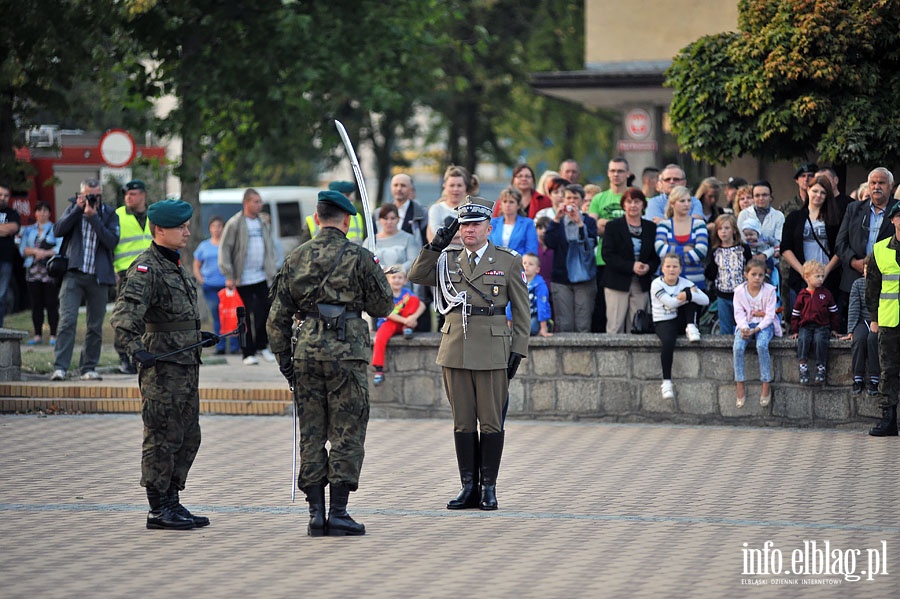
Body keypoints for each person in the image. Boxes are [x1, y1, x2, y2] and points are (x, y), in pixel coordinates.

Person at [267, 190, 393, 536]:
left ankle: (314, 514)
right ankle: (338, 512)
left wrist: (286, 365)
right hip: (347, 355)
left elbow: (275, 320)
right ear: (347, 220)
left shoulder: (296, 257)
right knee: (347, 431)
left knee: (311, 433)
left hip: (306, 354)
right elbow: (384, 306)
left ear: (318, 217)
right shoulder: (359, 256)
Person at [408, 196, 529, 512]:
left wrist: (518, 349)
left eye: (475, 224)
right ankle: (468, 487)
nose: (468, 230)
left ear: (490, 227)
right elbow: (416, 276)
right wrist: (435, 245)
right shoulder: (447, 259)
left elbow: (522, 310)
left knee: (490, 422)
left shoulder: (507, 261)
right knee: (462, 422)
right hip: (455, 348)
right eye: (464, 224)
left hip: (491, 347)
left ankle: (488, 487)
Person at [110, 199, 218, 530]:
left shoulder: (173, 265)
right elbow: (124, 318)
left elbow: (172, 315)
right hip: (161, 368)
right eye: (180, 227)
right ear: (160, 231)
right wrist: (134, 350)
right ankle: (158, 508)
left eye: (187, 226)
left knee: (188, 435)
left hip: (185, 365)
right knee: (161, 436)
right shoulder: (146, 268)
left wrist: (197, 334)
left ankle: (173, 500)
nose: (187, 231)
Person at [50, 178, 120, 381]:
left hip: (99, 277)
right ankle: (60, 367)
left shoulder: (109, 213)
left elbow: (111, 241)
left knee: (95, 326)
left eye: (96, 194)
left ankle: (88, 367)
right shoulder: (74, 208)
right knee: (67, 320)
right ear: (81, 194)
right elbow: (58, 230)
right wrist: (77, 210)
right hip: (74, 273)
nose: (93, 198)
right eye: (89, 194)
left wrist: (94, 218)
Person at [218, 188, 278, 365]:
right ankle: (247, 352)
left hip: (261, 276)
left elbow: (270, 247)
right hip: (241, 278)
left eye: (260, 201)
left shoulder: (263, 223)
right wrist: (229, 274)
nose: (259, 205)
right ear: (246, 203)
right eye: (256, 202)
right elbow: (225, 249)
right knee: (244, 316)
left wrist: (272, 268)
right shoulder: (235, 223)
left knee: (264, 312)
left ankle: (262, 346)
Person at [836, 168, 898, 322]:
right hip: (854, 278)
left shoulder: (898, 210)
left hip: (888, 283)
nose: (876, 186)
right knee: (856, 335)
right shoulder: (854, 209)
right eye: (873, 183)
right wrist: (854, 262)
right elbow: (840, 243)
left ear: (891, 186)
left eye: (881, 183)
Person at [651, 253, 709, 400]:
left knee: (691, 299)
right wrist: (686, 295)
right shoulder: (656, 284)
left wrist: (689, 295)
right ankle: (666, 382)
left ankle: (691, 327)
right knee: (668, 342)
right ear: (662, 268)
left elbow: (706, 300)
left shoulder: (685, 282)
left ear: (680, 269)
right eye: (668, 266)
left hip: (680, 319)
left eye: (675, 266)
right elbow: (669, 303)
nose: (671, 270)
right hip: (663, 320)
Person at [601, 188, 659, 334]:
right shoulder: (613, 226)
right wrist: (631, 266)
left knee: (638, 326)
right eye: (629, 201)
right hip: (617, 282)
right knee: (615, 326)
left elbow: (655, 256)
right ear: (623, 205)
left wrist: (648, 267)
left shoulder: (651, 228)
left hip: (641, 282)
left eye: (637, 201)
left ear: (643, 205)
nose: (633, 205)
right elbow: (607, 255)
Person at [780, 175, 842, 310]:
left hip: (827, 277)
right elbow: (785, 247)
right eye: (815, 191)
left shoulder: (835, 219)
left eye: (823, 192)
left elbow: (841, 247)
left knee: (825, 322)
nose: (818, 195)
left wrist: (826, 271)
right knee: (800, 322)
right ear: (808, 190)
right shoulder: (794, 217)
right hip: (800, 278)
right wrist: (803, 271)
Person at [544, 184, 598, 333]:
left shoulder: (589, 222)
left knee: (583, 324)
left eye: (576, 198)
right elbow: (549, 242)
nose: (572, 201)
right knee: (564, 324)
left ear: (582, 201)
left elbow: (590, 246)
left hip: (584, 278)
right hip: (561, 279)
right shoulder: (557, 222)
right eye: (568, 198)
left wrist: (580, 223)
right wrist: (556, 219)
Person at [866, 201, 900, 437]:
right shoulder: (880, 250)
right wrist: (874, 318)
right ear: (892, 220)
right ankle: (888, 420)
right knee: (888, 370)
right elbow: (873, 288)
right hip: (889, 321)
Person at [113, 179, 153, 374]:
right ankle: (123, 355)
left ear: (143, 195)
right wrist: (113, 269)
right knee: (125, 316)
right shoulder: (118, 215)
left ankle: (143, 353)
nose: (128, 197)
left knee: (149, 316)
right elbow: (109, 243)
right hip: (125, 273)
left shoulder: (153, 215)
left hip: (151, 273)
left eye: (133, 194)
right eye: (126, 194)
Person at [733, 258, 782, 408]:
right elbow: (738, 313)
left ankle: (766, 383)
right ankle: (740, 384)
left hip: (764, 326)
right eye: (753, 274)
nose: (757, 278)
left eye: (760, 275)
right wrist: (743, 327)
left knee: (761, 345)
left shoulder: (769, 291)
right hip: (746, 325)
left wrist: (757, 329)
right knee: (738, 347)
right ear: (746, 274)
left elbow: (769, 315)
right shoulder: (739, 292)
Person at [589, 157, 631, 333]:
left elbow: (639, 227)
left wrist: (608, 225)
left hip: (630, 261)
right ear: (608, 173)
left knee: (630, 312)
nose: (616, 174)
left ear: (628, 174)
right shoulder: (599, 198)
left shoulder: (635, 197)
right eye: (613, 170)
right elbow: (593, 227)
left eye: (620, 171)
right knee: (605, 310)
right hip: (604, 261)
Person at [386, 173, 431, 332]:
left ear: (411, 189)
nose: (399, 189)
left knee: (416, 308)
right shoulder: (382, 213)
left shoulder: (421, 213)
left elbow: (427, 242)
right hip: (389, 273)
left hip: (414, 270)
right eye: (396, 185)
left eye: (403, 185)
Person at [371, 265, 425, 385]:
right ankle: (378, 369)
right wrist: (406, 321)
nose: (397, 280)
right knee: (379, 338)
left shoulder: (407, 293)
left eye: (400, 277)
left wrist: (412, 318)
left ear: (405, 280)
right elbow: (388, 313)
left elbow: (422, 305)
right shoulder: (385, 294)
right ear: (387, 280)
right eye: (393, 277)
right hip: (388, 323)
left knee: (414, 300)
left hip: (405, 323)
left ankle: (408, 329)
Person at [193, 215, 238, 355]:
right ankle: (220, 346)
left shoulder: (228, 245)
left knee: (231, 315)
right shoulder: (204, 246)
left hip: (227, 285)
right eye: (214, 226)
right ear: (210, 228)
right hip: (210, 286)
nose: (217, 229)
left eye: (219, 226)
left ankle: (235, 346)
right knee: (217, 315)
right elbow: (197, 265)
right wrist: (201, 280)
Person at [789, 260, 840, 385]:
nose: (821, 279)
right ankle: (803, 366)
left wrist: (834, 329)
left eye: (822, 276)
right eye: (817, 276)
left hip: (822, 325)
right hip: (805, 325)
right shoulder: (802, 295)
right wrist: (795, 330)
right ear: (807, 277)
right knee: (803, 340)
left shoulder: (826, 294)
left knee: (820, 341)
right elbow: (795, 314)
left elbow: (834, 312)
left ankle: (821, 367)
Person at [654, 185, 709, 299]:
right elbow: (660, 249)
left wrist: (672, 257)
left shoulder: (699, 224)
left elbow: (701, 251)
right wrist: (685, 249)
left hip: (694, 283)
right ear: (673, 203)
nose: (687, 204)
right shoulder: (664, 225)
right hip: (668, 285)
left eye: (689, 201)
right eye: (682, 201)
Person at [19, 201, 61, 345]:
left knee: (51, 303)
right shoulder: (29, 230)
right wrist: (35, 251)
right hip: (33, 270)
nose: (42, 213)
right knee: (36, 304)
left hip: (49, 271)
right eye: (39, 210)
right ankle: (37, 335)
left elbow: (60, 248)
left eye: (45, 210)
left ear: (49, 213)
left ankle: (53, 335)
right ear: (35, 213)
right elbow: (23, 249)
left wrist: (45, 253)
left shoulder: (55, 229)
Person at [705, 214, 752, 335]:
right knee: (725, 328)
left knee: (743, 326)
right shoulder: (716, 251)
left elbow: (749, 267)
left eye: (727, 228)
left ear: (734, 230)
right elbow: (712, 272)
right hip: (723, 295)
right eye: (720, 229)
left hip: (742, 294)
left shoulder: (743, 249)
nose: (723, 232)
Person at [843, 260, 879, 397]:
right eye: (866, 269)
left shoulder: (882, 283)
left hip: (879, 321)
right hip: (862, 321)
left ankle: (874, 379)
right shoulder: (858, 284)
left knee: (873, 340)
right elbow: (854, 308)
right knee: (858, 340)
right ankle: (857, 377)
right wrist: (851, 330)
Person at [300, 180, 366, 245]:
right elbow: (304, 245)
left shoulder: (357, 217)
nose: (351, 198)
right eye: (348, 195)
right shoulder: (310, 220)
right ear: (337, 196)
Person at [736, 180, 784, 262]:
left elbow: (778, 241)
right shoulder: (744, 214)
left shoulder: (778, 216)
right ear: (753, 197)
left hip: (770, 260)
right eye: (757, 195)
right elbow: (740, 239)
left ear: (771, 196)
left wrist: (765, 255)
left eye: (764, 195)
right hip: (748, 260)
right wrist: (752, 255)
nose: (761, 198)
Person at [428, 165, 477, 242]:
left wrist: (447, 237)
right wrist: (464, 235)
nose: (455, 189)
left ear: (466, 187)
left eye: (459, 185)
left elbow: (477, 237)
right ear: (445, 186)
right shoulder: (436, 209)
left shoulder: (474, 209)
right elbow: (435, 234)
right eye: (452, 185)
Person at [509, 252, 552, 337]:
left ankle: (546, 326)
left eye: (531, 264)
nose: (527, 266)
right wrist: (508, 325)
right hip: (520, 315)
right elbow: (510, 303)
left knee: (530, 328)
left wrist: (543, 328)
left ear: (537, 269)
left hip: (535, 316)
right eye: (524, 263)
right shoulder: (516, 282)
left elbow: (542, 305)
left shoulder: (540, 285)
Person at [489, 187, 538, 256]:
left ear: (518, 205)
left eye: (511, 202)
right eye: (505, 201)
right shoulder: (492, 223)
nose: (507, 205)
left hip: (519, 264)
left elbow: (531, 250)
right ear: (500, 205)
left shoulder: (527, 223)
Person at [0, 182, 21, 327]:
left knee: (1, 296)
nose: (3, 198)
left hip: (5, 260)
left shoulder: (13, 214)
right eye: (0, 195)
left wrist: (7, 229)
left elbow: (13, 227)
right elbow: (7, 229)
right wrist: (3, 230)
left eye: (6, 196)